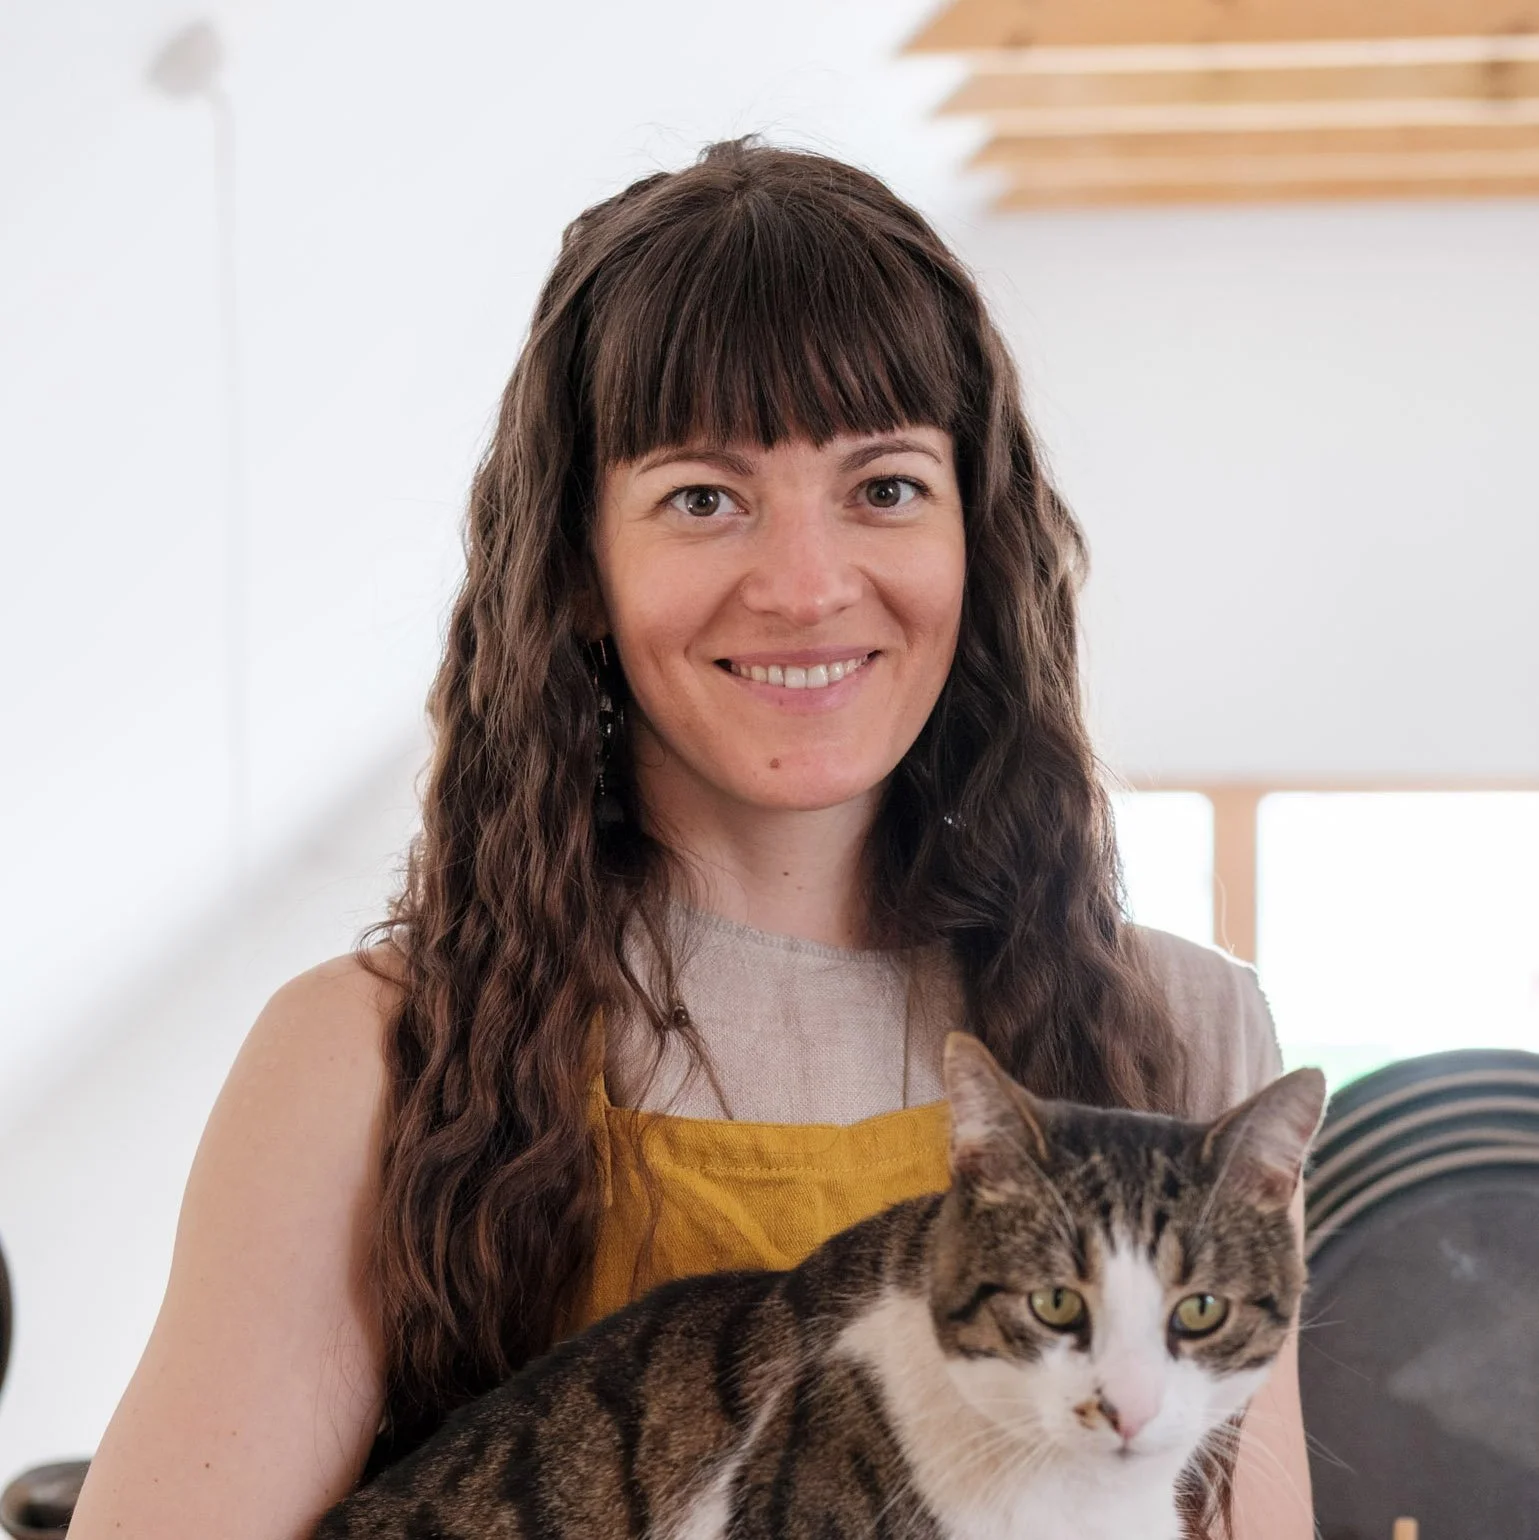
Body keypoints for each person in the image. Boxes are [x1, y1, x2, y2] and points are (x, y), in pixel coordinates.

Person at [67, 137, 1312, 1540]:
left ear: (979, 541)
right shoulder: (360, 1055)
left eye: (884, 486)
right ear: (579, 572)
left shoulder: (1185, 1033)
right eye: (702, 499)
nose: (803, 584)